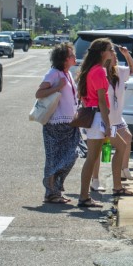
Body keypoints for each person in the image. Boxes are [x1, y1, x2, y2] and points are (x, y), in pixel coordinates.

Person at [35, 42, 80, 204]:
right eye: (71, 55)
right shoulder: (54, 74)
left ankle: (55, 187)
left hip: (70, 123)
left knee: (72, 155)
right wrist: (57, 87)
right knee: (54, 157)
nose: (74, 57)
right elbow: (39, 93)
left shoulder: (67, 73)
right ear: (64, 59)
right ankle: (51, 192)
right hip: (55, 123)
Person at [75, 38, 115, 208]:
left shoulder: (91, 69)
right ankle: (84, 197)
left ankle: (85, 196)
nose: (112, 51)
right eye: (109, 48)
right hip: (98, 117)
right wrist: (107, 124)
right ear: (101, 52)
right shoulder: (99, 71)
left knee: (93, 158)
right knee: (92, 158)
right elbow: (101, 101)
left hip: (94, 117)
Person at [104, 45, 133, 197]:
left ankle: (124, 171)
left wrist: (127, 55)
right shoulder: (101, 73)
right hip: (105, 118)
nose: (115, 56)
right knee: (101, 150)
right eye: (113, 54)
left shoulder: (118, 71)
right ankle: (97, 180)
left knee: (127, 138)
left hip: (117, 116)